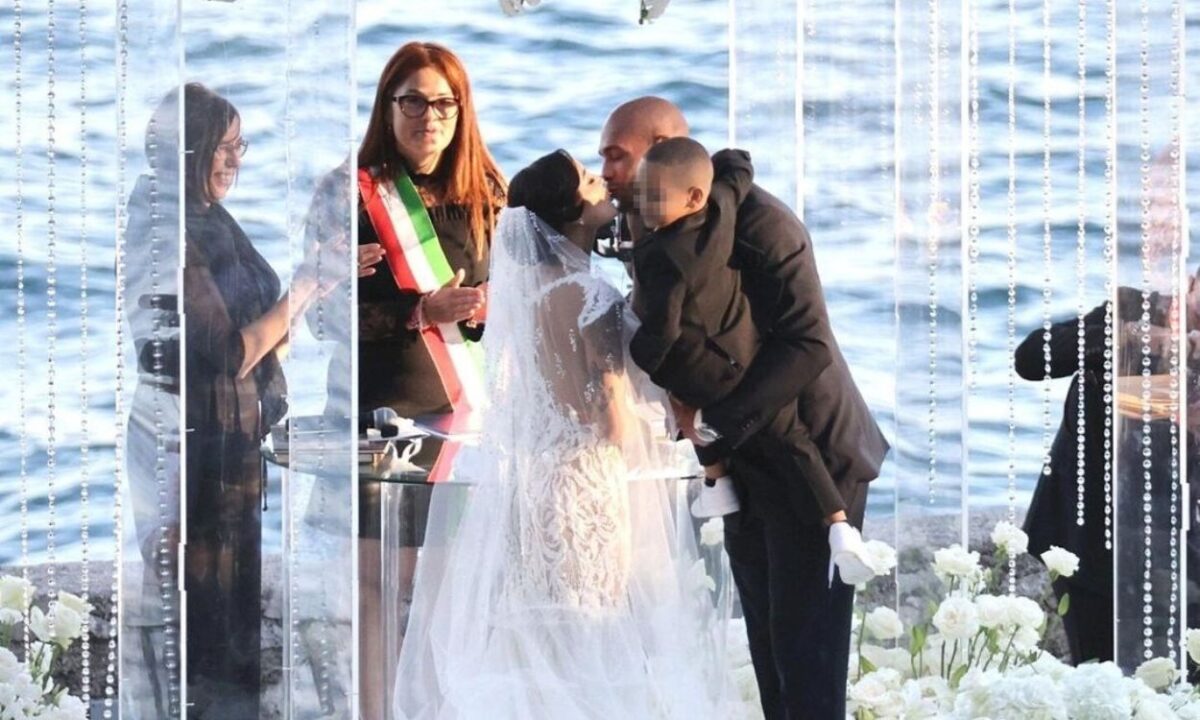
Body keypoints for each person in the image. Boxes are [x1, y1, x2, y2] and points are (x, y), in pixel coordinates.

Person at [392, 149, 732, 719]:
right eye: (590, 180)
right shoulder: (590, 295)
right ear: (573, 212)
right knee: (589, 638)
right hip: (583, 491)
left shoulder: (526, 294)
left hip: (534, 487)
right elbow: (610, 421)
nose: (604, 185)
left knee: (542, 641)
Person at [600, 96, 890, 719]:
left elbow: (808, 345)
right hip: (742, 463)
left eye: (616, 157)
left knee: (805, 662)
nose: (606, 172)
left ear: (661, 151)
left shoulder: (764, 225)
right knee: (769, 654)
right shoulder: (653, 219)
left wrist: (710, 425)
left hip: (810, 451)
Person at [124, 82, 335, 718]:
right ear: (188, 149)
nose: (235, 160)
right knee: (205, 630)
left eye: (240, 146)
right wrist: (301, 291)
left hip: (228, 450)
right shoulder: (165, 226)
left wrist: (315, 288)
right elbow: (228, 352)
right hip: (190, 452)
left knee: (231, 630)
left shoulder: (205, 216)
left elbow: (259, 341)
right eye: (223, 146)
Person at [340, 41, 505, 720]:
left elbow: (520, 302)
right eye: (413, 101)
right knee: (379, 583)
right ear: (388, 106)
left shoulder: (489, 194)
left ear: (461, 111)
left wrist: (489, 307)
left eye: (443, 103)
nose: (429, 117)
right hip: (380, 414)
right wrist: (417, 313)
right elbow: (325, 317)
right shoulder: (354, 193)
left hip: (462, 417)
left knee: (444, 585)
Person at [628, 139, 865, 555]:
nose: (643, 204)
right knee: (792, 441)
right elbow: (736, 173)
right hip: (748, 358)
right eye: (641, 192)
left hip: (712, 377)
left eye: (653, 196)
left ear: (693, 196)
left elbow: (663, 329)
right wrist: (730, 161)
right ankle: (839, 526)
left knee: (690, 402)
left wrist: (636, 358)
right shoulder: (721, 212)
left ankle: (718, 481)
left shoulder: (664, 255)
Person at [1016, 280, 1200, 666]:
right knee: (1098, 668)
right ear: (1190, 285)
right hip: (1091, 535)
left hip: (1183, 542)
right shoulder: (1134, 309)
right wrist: (1133, 337)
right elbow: (1031, 359)